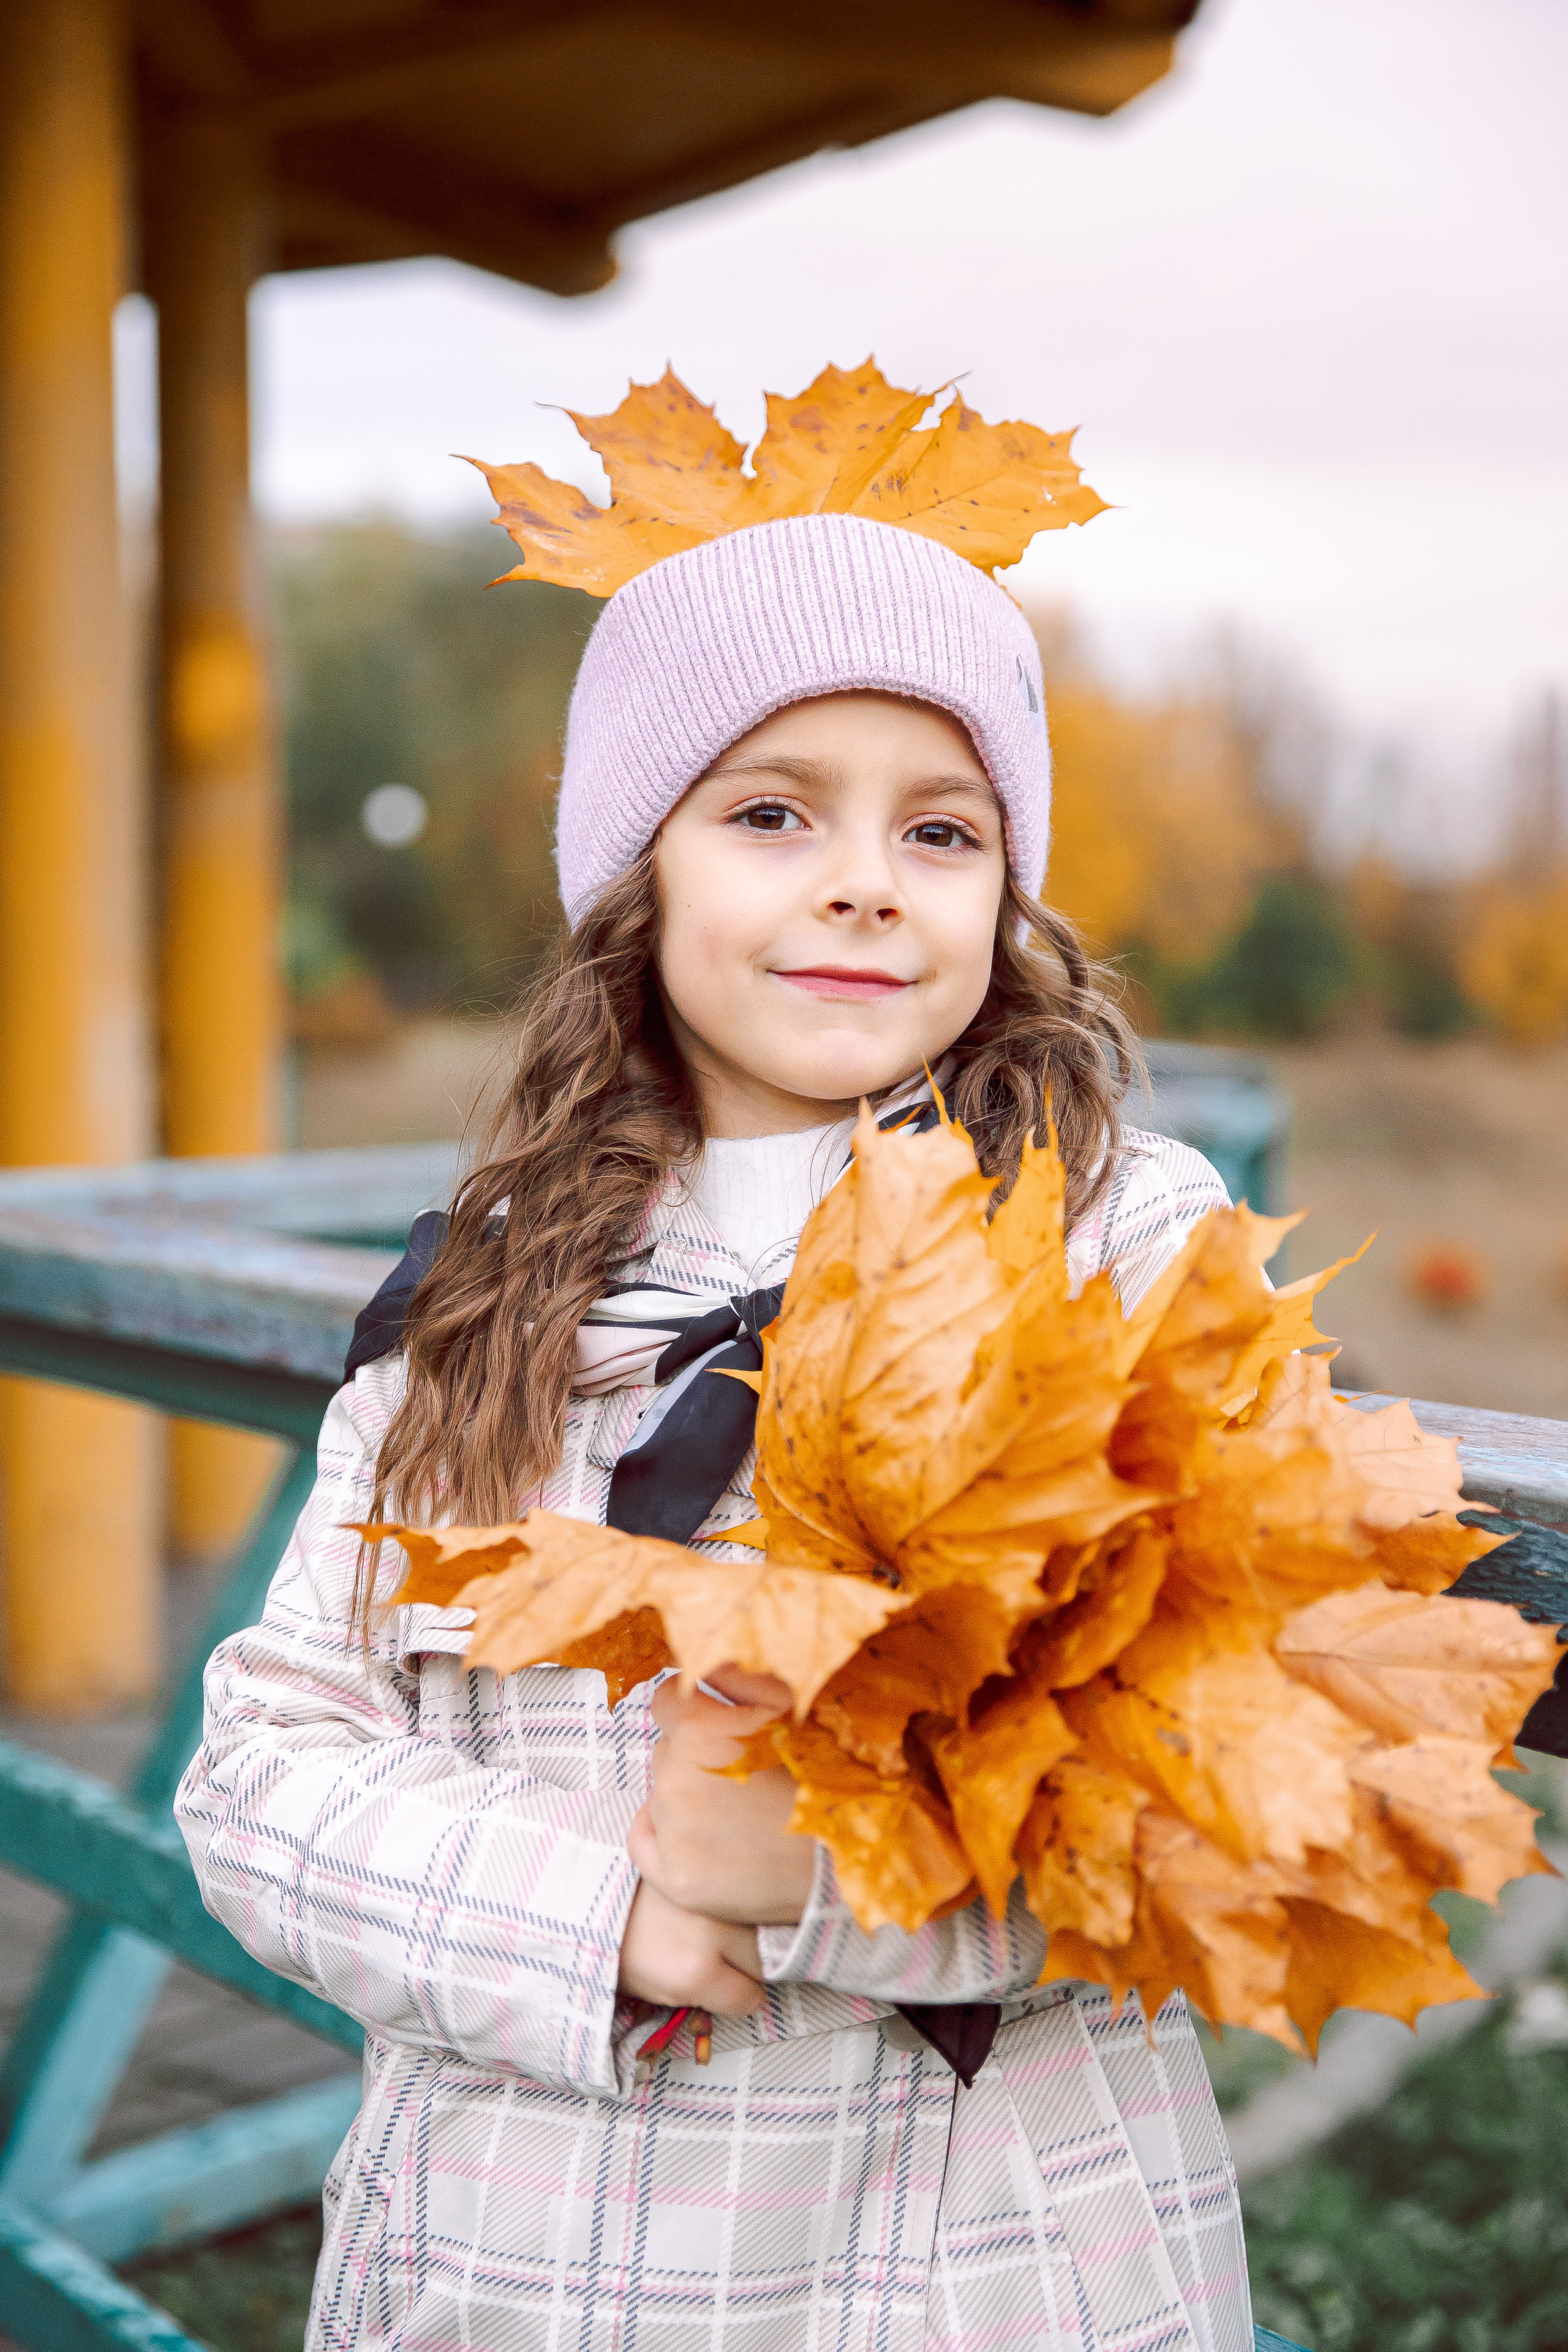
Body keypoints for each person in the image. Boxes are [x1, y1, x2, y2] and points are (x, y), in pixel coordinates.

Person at [177, 502, 1254, 2350]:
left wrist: (827, 1872)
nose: (866, 880)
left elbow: (1217, 1772)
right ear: (641, 871)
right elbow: (269, 1759)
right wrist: (614, 1918)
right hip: (522, 2260)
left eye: (941, 827)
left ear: (1007, 889)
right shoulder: (486, 1295)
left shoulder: (1121, 1242)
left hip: (970, 2261)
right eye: (772, 813)